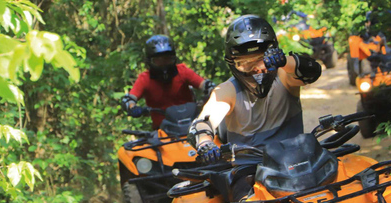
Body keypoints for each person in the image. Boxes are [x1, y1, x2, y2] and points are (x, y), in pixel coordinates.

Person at [187, 14, 322, 164]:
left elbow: (311, 71)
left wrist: (284, 61)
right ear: (232, 64)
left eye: (262, 59)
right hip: (248, 170)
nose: (256, 69)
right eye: (245, 63)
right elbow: (204, 121)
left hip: (296, 161)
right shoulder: (227, 90)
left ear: (274, 55)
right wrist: (205, 143)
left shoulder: (284, 76)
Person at [120, 35, 215, 129]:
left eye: (167, 59)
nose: (164, 64)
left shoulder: (183, 71)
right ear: (149, 61)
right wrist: (133, 108)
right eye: (158, 61)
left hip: (191, 126)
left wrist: (212, 92)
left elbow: (205, 85)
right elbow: (129, 99)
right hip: (162, 132)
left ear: (174, 58)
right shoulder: (145, 79)